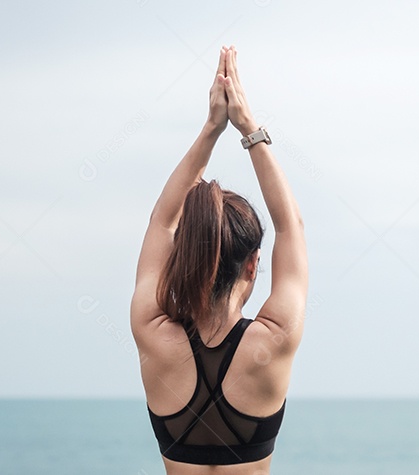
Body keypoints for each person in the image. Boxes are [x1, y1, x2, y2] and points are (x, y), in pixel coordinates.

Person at [130, 44, 308, 474]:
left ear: (185, 254)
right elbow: (291, 227)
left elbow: (161, 221)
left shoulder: (152, 334)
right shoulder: (275, 339)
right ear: (253, 265)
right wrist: (248, 126)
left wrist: (211, 128)